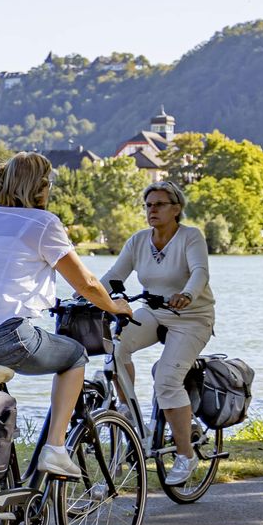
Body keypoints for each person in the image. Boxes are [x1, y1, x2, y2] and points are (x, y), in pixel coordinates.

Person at [0, 152, 131, 478]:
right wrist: (115, 306)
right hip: (4, 338)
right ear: (41, 186)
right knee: (75, 356)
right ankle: (56, 448)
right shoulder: (43, 223)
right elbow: (87, 284)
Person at [104, 180, 215, 485]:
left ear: (176, 209)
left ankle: (186, 456)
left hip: (191, 317)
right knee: (115, 347)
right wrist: (86, 296)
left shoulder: (190, 237)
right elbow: (114, 276)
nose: (152, 210)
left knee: (166, 380)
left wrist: (188, 294)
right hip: (154, 311)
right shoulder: (139, 241)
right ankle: (128, 411)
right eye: (148, 205)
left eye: (159, 204)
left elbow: (200, 272)